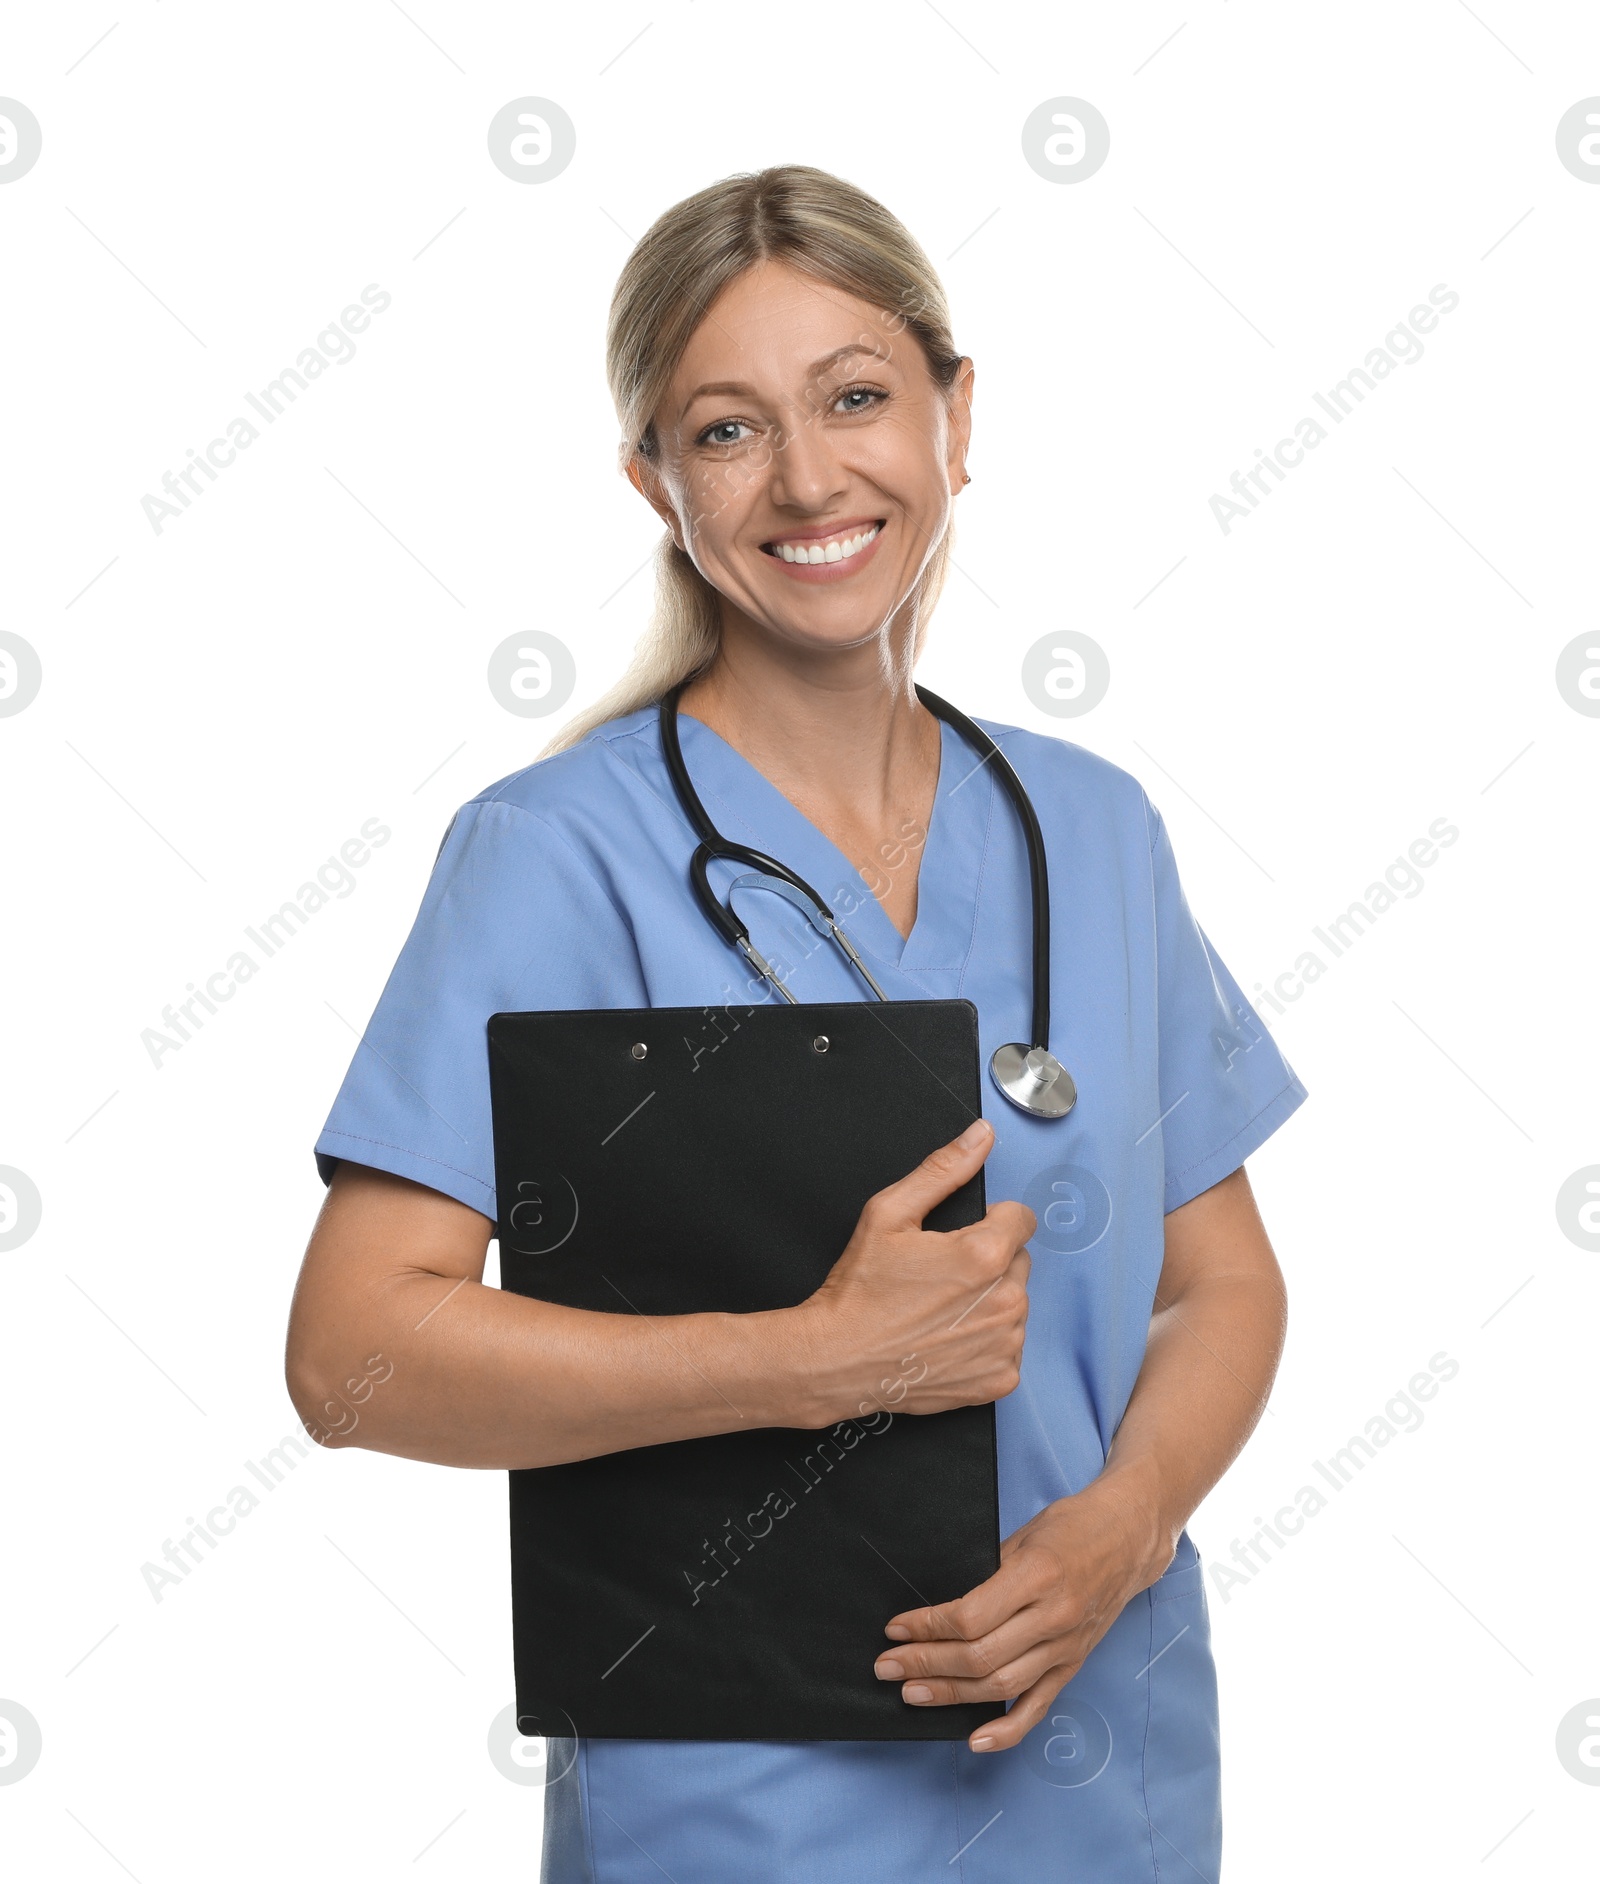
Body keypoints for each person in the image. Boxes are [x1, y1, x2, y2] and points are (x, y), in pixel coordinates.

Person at [285, 163, 1308, 1883]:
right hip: (738, 1810)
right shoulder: (559, 858)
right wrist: (803, 1361)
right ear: (654, 482)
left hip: (1103, 1780)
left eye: (856, 397)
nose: (813, 477)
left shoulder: (1095, 828)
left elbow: (1220, 1279)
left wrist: (1123, 1532)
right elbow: (350, 1356)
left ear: (955, 416)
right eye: (728, 430)